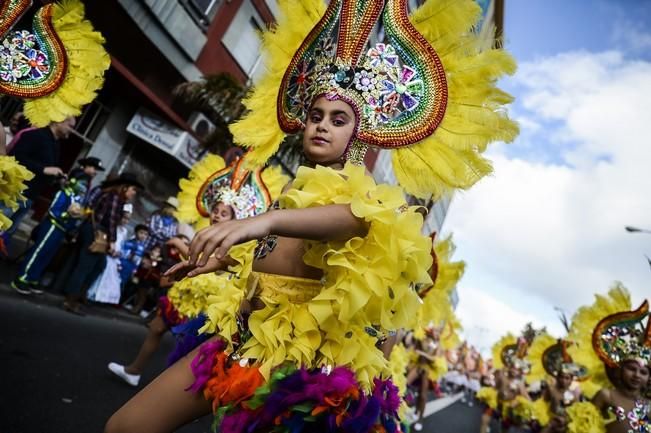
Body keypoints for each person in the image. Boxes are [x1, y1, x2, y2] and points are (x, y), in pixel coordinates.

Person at [105, 0, 517, 431]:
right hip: (239, 342)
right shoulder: (292, 192)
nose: (321, 125)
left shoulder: (365, 198)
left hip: (296, 372)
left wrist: (262, 221)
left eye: (338, 119)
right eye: (315, 116)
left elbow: (355, 222)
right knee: (125, 425)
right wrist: (223, 260)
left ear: (356, 134)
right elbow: (278, 253)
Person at [107, 154, 287, 387]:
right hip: (187, 295)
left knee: (187, 351)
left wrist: (180, 244)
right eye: (216, 211)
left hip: (208, 301)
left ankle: (168, 390)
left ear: (235, 219)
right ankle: (137, 371)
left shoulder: (235, 240)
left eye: (224, 214)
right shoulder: (207, 234)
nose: (216, 215)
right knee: (157, 328)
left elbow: (213, 261)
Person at [564, 284, 651, 433]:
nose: (637, 375)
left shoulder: (648, 404)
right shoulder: (606, 396)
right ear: (620, 369)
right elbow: (583, 428)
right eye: (631, 369)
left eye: (643, 372)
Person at [62, 173, 143, 316]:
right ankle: (70, 300)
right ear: (124, 188)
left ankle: (79, 295)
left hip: (93, 231)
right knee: (85, 267)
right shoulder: (115, 197)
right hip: (97, 234)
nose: (133, 193)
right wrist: (112, 241)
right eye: (133, 189)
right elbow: (111, 221)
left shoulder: (112, 195)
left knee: (98, 265)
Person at [10, 171, 91, 295]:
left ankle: (33, 278)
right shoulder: (63, 193)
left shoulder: (77, 199)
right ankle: (22, 278)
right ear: (73, 181)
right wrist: (67, 214)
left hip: (62, 230)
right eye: (82, 183)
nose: (83, 187)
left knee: (48, 255)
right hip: (52, 226)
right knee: (39, 252)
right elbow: (54, 210)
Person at [0, 117, 76, 247]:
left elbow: (45, 170)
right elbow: (14, 158)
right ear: (58, 122)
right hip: (14, 194)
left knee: (6, 234)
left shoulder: (55, 144)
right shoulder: (36, 135)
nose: (72, 130)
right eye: (70, 126)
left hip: (29, 197)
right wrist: (44, 169)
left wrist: (57, 178)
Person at [87, 205, 133, 305]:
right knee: (103, 273)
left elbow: (122, 244)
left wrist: (119, 253)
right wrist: (110, 250)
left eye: (128, 219)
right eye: (124, 218)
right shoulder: (114, 228)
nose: (125, 221)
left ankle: (104, 298)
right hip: (108, 253)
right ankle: (94, 294)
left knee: (113, 277)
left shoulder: (124, 231)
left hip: (115, 255)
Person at [118, 224, 150, 289]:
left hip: (131, 270)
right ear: (135, 233)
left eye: (145, 234)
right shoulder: (129, 243)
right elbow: (123, 254)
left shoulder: (142, 247)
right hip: (122, 267)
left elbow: (138, 260)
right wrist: (138, 259)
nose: (143, 236)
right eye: (141, 233)